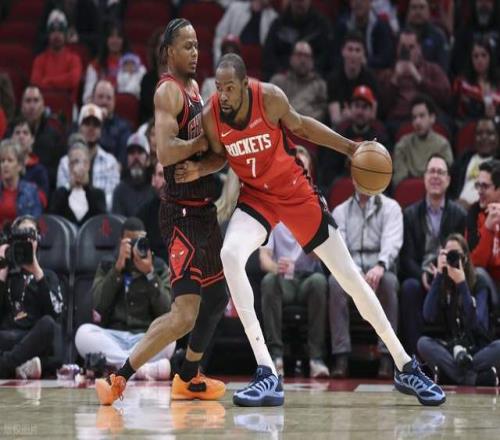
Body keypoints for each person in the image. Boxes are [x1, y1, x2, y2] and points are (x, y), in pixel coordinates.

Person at [175, 53, 446, 407]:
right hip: (257, 197)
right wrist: (200, 169)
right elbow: (222, 155)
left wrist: (350, 147)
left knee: (350, 278)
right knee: (230, 254)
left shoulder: (269, 98)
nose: (223, 95)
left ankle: (405, 364)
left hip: (295, 193)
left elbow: (302, 126)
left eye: (230, 88)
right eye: (219, 87)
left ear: (244, 84)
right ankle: (267, 371)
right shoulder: (212, 114)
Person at [95, 19, 228, 406]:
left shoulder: (197, 91)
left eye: (197, 44)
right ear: (168, 52)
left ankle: (188, 375)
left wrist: (202, 166)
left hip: (204, 210)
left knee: (217, 298)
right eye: (187, 45)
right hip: (181, 214)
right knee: (185, 314)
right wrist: (201, 144)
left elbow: (219, 156)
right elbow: (167, 152)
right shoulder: (168, 91)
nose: (195, 52)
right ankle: (118, 377)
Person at [75, 217, 175, 380]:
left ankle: (118, 368)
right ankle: (138, 369)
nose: (135, 246)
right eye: (131, 241)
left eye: (139, 241)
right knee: (83, 333)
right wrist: (117, 270)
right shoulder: (109, 264)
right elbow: (98, 306)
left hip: (145, 337)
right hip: (113, 337)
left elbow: (166, 311)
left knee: (170, 338)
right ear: (121, 241)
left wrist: (150, 274)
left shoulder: (157, 266)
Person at [259, 147, 329, 379]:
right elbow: (264, 258)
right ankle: (275, 357)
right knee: (268, 281)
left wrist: (309, 239)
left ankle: (316, 358)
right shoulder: (273, 203)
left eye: (302, 165)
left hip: (308, 277)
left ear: (309, 172)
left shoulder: (318, 202)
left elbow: (324, 255)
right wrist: (275, 267)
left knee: (320, 281)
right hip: (284, 280)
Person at [329, 179, 403, 379]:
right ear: (353, 178)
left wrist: (380, 265)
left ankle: (387, 356)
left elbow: (392, 241)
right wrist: (355, 272)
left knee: (389, 283)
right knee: (335, 283)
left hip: (380, 267)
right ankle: (341, 357)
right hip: (350, 268)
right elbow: (340, 247)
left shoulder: (391, 207)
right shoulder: (340, 211)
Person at [399, 154, 467, 355]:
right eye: (432, 171)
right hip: (420, 276)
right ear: (424, 177)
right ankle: (414, 358)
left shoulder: (459, 215)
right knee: (409, 287)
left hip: (449, 276)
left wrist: (443, 273)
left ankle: (457, 349)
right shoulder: (410, 214)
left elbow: (463, 255)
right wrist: (422, 274)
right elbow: (406, 258)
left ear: (448, 180)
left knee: (458, 286)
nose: (436, 176)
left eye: (440, 172)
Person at [418, 233, 500, 386]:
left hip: (478, 349)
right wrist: (438, 277)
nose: (452, 259)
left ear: (466, 258)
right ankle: (475, 379)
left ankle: (451, 376)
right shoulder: (442, 281)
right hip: (452, 349)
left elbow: (478, 324)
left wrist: (462, 284)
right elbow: (428, 315)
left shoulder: (479, 282)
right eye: (448, 254)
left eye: (456, 255)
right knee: (423, 343)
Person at [0, 215, 63, 379]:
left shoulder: (47, 276)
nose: (25, 241)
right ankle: (20, 367)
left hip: (33, 339)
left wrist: (37, 272)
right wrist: (2, 271)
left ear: (37, 242)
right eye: (20, 236)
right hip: (7, 337)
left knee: (48, 324)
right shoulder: (6, 275)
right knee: (50, 362)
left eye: (30, 236)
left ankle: (5, 366)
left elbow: (55, 313)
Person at [57, 103, 120, 211]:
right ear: (79, 127)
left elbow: (111, 199)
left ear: (101, 130)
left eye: (96, 125)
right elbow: (61, 194)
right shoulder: (65, 161)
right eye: (86, 123)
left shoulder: (110, 163)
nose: (91, 128)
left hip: (100, 215)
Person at [392, 95, 453, 187]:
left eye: (422, 116)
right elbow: (399, 181)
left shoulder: (443, 145)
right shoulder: (403, 145)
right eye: (414, 117)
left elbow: (445, 179)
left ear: (432, 118)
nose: (417, 122)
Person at [49, 138, 106, 226]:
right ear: (69, 166)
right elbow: (54, 223)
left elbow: (101, 223)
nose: (78, 166)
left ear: (88, 165)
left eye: (83, 162)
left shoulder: (97, 195)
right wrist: (72, 187)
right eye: (74, 162)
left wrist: (86, 187)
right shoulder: (60, 195)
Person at [450, 118, 499, 207]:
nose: (484, 137)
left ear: (497, 137)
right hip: (456, 208)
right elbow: (449, 188)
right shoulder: (464, 159)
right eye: (479, 133)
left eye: (489, 133)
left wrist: (472, 208)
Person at [0, 140, 42, 228]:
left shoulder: (31, 191)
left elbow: (34, 223)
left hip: (21, 235)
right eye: (2, 161)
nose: (5, 165)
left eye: (10, 160)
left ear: (19, 166)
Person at [112, 132, 155, 217]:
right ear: (127, 159)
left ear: (148, 159)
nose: (136, 157)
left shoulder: (154, 188)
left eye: (140, 152)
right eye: (131, 153)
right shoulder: (119, 191)